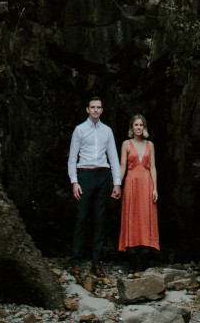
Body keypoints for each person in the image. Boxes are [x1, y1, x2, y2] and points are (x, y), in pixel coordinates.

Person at [67, 95, 121, 278]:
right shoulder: (79, 130)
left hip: (103, 175)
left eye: (99, 107)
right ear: (87, 110)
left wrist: (117, 183)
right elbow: (72, 158)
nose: (96, 110)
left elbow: (113, 157)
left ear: (102, 110)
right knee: (81, 217)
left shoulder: (107, 131)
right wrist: (74, 182)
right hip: (85, 175)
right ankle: (76, 262)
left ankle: (96, 262)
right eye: (93, 107)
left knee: (100, 218)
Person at [118, 113, 159, 261]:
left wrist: (155, 189)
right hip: (131, 183)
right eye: (136, 125)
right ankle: (132, 251)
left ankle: (146, 250)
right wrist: (117, 184)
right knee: (132, 214)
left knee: (146, 215)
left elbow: (153, 167)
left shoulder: (150, 145)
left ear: (144, 127)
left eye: (141, 125)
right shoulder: (126, 144)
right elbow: (122, 166)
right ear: (131, 127)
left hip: (146, 183)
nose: (138, 127)